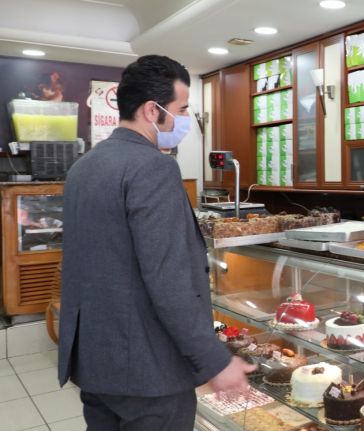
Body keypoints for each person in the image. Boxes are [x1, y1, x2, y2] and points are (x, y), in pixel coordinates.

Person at [58, 55, 256, 430]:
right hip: (148, 373)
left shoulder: (83, 166)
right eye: (181, 109)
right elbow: (168, 279)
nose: (185, 119)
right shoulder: (154, 167)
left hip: (95, 362)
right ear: (153, 110)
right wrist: (214, 361)